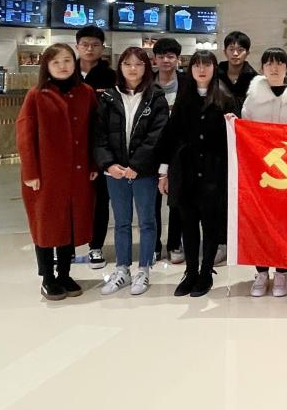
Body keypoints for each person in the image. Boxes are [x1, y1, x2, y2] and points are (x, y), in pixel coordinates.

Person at [15, 44, 99, 301]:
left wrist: (93, 165)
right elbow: (25, 135)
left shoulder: (86, 93)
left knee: (69, 224)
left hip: (78, 173)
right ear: (47, 67)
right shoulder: (36, 95)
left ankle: (64, 274)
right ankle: (47, 278)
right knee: (46, 224)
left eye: (67, 60)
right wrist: (31, 172)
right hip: (46, 175)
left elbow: (95, 132)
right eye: (56, 62)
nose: (63, 66)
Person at [156, 51, 237, 298]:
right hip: (185, 170)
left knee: (211, 226)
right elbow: (170, 136)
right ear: (190, 69)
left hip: (214, 172)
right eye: (197, 65)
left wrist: (233, 123)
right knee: (188, 224)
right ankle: (190, 272)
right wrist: (163, 172)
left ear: (214, 68)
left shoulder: (225, 98)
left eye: (207, 65)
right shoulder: (184, 97)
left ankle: (205, 272)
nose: (202, 70)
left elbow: (235, 137)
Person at [94, 47, 169, 296]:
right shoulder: (108, 97)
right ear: (120, 67)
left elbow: (157, 136)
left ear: (146, 67)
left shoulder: (155, 97)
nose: (133, 69)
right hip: (115, 172)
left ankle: (144, 270)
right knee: (121, 222)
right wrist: (108, 164)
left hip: (143, 172)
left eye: (138, 64)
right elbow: (99, 135)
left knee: (147, 221)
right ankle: (122, 269)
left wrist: (137, 165)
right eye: (127, 64)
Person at [242, 48, 287, 298]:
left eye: (279, 64)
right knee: (260, 223)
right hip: (261, 172)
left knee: (286, 223)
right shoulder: (253, 98)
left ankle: (282, 272)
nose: (274, 68)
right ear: (262, 68)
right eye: (269, 64)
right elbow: (245, 130)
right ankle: (261, 272)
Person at [75, 25, 114, 270]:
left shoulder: (110, 77)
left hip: (101, 146)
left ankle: (96, 246)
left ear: (102, 48)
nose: (90, 49)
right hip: (71, 147)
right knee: (71, 197)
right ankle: (66, 245)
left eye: (95, 45)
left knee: (101, 198)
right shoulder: (66, 73)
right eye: (85, 45)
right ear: (77, 46)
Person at [153, 37, 189, 264]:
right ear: (154, 59)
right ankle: (154, 245)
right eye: (161, 56)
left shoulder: (187, 82)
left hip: (178, 149)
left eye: (170, 56)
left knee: (176, 199)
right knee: (152, 200)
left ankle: (175, 243)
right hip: (152, 148)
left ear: (178, 59)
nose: (166, 60)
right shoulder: (147, 83)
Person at [217, 30, 257, 116]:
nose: (235, 54)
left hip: (243, 122)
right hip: (218, 121)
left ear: (247, 53)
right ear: (225, 52)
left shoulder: (254, 79)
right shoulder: (214, 75)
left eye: (240, 50)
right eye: (231, 49)